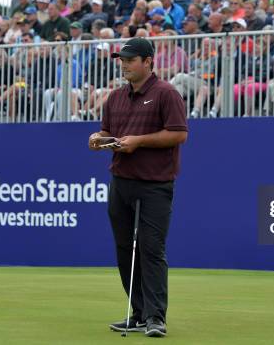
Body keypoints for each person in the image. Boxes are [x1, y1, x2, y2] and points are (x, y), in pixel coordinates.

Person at [89, 37, 187, 338]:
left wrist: (139, 141)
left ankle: (156, 317)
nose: (125, 64)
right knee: (124, 250)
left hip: (154, 185)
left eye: (131, 60)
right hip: (121, 181)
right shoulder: (115, 97)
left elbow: (178, 134)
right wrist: (99, 138)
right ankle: (139, 313)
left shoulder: (166, 94)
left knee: (151, 249)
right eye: (122, 59)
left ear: (148, 61)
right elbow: (109, 132)